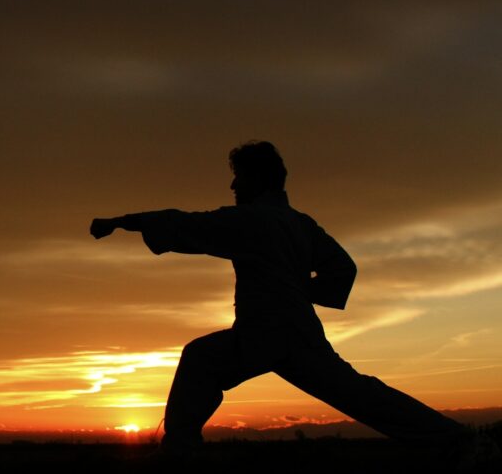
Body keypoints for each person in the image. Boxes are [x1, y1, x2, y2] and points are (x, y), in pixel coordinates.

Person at [89, 141, 475, 455]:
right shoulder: (300, 223)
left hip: (270, 332)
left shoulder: (252, 220)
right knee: (359, 394)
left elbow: (184, 222)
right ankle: (463, 442)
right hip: (290, 330)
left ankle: (180, 453)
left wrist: (118, 222)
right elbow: (344, 269)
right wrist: (298, 288)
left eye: (238, 177)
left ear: (257, 179)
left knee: (203, 360)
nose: (233, 187)